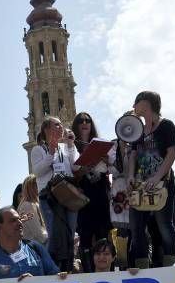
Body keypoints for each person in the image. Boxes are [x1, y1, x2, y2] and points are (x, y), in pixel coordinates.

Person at [126, 90, 175, 269]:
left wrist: (158, 176)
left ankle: (171, 265)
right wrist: (131, 176)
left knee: (164, 225)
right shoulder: (138, 129)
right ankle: (141, 266)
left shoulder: (166, 126)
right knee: (137, 228)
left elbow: (172, 153)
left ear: (146, 103)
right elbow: (133, 155)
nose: (133, 107)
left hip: (162, 184)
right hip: (140, 185)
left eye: (136, 102)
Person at [31, 116, 80, 271]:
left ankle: (68, 267)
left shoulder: (65, 148)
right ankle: (51, 269)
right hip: (49, 197)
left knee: (70, 233)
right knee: (55, 233)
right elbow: (38, 171)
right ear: (46, 129)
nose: (61, 127)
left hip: (68, 194)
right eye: (57, 125)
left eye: (61, 125)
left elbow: (75, 167)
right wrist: (51, 152)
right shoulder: (38, 149)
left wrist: (71, 145)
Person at [72, 112, 114, 271]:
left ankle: (108, 270)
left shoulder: (101, 143)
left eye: (87, 120)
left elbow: (113, 168)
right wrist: (84, 169)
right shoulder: (71, 146)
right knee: (86, 235)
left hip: (101, 190)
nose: (84, 123)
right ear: (76, 125)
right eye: (80, 121)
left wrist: (105, 159)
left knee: (103, 233)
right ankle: (89, 272)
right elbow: (70, 174)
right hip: (82, 192)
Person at [17, 175, 47, 245]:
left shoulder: (33, 204)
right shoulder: (28, 205)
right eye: (38, 184)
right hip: (34, 247)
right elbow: (39, 234)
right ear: (32, 187)